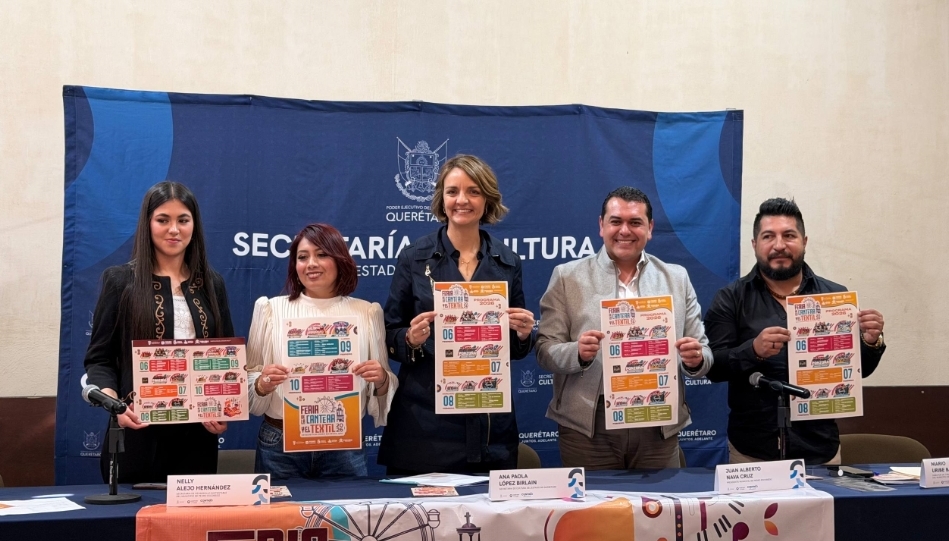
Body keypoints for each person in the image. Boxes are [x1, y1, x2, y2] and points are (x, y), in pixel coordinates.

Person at [378, 154, 536, 475]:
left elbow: (514, 349)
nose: (462, 200)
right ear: (442, 198)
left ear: (487, 199)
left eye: (473, 191)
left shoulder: (507, 261)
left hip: (489, 423)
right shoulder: (414, 257)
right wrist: (410, 338)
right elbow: (390, 334)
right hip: (424, 425)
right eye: (453, 191)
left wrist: (522, 334)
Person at [536, 186, 712, 470]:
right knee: (594, 502)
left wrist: (697, 359)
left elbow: (704, 352)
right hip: (589, 427)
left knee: (660, 499)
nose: (625, 231)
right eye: (616, 221)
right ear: (601, 225)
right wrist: (577, 353)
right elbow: (545, 351)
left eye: (635, 222)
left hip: (658, 422)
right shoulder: (567, 277)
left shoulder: (677, 278)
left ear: (650, 228)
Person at [704, 198, 885, 465]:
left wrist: (870, 342)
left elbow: (857, 371)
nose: (779, 245)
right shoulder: (731, 298)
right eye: (768, 236)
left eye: (789, 235)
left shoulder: (835, 297)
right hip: (752, 452)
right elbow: (713, 368)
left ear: (804, 241)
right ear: (755, 244)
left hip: (820, 449)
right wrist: (753, 350)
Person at [83, 181, 234, 483]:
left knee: (193, 515)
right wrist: (116, 406)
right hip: (137, 432)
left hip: (197, 438)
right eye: (163, 220)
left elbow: (226, 359)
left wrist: (223, 409)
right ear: (148, 224)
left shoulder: (212, 284)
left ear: (194, 225)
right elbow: (99, 360)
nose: (174, 230)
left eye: (183, 220)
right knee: (133, 512)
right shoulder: (120, 281)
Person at [247, 224, 396, 479]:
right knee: (280, 508)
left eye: (322, 254)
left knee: (346, 506)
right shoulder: (270, 310)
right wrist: (262, 383)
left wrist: (381, 378)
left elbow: (384, 385)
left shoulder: (367, 312)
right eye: (302, 257)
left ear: (339, 260)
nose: (311, 264)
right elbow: (249, 377)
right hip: (280, 441)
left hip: (343, 440)